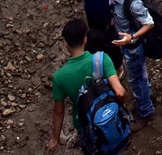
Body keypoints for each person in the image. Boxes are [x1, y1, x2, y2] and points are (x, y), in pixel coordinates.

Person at [47, 18, 124, 153]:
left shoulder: (59, 77)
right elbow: (120, 92)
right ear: (85, 40)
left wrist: (55, 138)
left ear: (66, 44)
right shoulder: (102, 59)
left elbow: (59, 112)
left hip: (84, 123)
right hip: (107, 115)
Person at [106, 0, 155, 123]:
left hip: (133, 46)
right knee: (140, 76)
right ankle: (146, 98)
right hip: (126, 45)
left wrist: (132, 37)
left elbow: (149, 23)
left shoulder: (133, 3)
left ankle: (145, 112)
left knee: (137, 79)